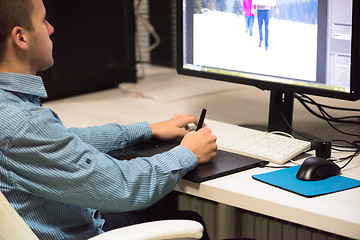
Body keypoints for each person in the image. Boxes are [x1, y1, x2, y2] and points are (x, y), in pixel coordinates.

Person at [0, 0, 217, 239]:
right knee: (192, 226)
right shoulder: (22, 121)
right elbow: (124, 187)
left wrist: (147, 130)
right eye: (42, 20)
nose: (50, 28)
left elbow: (64, 141)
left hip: (64, 221)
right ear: (21, 38)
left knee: (189, 219)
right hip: (79, 233)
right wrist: (188, 152)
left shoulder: (10, 106)